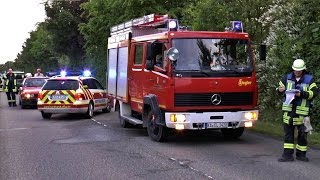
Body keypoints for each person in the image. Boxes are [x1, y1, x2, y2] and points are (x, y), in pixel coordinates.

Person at [277, 59, 318, 162]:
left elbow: (314, 93)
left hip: (303, 113)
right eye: (295, 70)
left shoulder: (309, 79)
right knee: (288, 134)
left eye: (299, 70)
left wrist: (302, 94)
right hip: (289, 112)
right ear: (293, 69)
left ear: (303, 69)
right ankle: (287, 155)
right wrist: (279, 90)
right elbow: (279, 89)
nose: (297, 72)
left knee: (303, 135)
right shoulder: (287, 77)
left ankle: (301, 155)